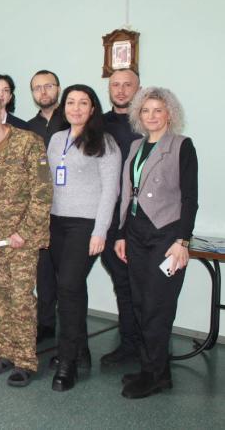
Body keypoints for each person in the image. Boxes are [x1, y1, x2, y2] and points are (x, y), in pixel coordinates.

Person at [115, 87, 198, 399]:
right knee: (139, 303)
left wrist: (182, 241)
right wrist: (122, 234)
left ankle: (154, 374)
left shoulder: (182, 145)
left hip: (166, 235)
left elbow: (190, 198)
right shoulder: (136, 145)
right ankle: (155, 370)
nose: (151, 116)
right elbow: (128, 193)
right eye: (145, 110)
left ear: (169, 114)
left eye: (158, 110)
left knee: (157, 306)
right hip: (136, 232)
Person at [0, 91, 53, 386]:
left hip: (23, 240)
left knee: (21, 300)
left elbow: (42, 193)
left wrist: (24, 233)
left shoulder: (29, 142)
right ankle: (5, 353)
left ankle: (26, 361)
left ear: (1, 111)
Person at [46, 85, 121, 391]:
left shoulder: (105, 142)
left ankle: (67, 363)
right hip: (55, 222)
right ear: (64, 107)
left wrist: (100, 231)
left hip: (85, 225)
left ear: (93, 109)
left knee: (67, 287)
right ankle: (81, 351)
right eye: (71, 102)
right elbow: (47, 181)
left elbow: (111, 191)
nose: (76, 108)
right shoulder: (56, 139)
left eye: (83, 103)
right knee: (72, 288)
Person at [100, 68, 143, 366]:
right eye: (115, 84)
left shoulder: (148, 123)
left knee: (142, 286)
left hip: (141, 218)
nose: (121, 90)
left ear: (138, 88)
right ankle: (129, 345)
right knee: (122, 283)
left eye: (128, 85)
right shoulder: (99, 125)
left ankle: (150, 347)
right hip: (108, 216)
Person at [26, 69, 66, 344]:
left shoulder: (73, 120)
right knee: (43, 272)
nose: (43, 92)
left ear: (58, 89)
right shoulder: (29, 128)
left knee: (69, 275)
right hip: (39, 211)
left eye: (48, 86)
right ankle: (46, 323)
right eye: (37, 88)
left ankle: (71, 329)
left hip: (69, 210)